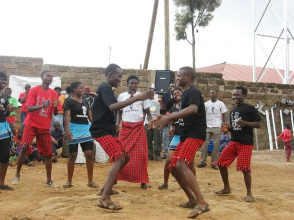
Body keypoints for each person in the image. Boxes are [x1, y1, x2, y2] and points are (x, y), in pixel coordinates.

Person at [90, 63, 153, 210]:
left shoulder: (106, 89)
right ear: (110, 74)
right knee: (120, 158)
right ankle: (104, 199)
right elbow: (113, 107)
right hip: (102, 131)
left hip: (107, 131)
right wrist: (138, 98)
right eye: (119, 76)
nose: (120, 79)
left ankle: (106, 187)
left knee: (126, 157)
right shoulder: (105, 88)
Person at [152, 67, 210, 218]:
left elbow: (192, 110)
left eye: (179, 76)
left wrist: (169, 118)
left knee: (181, 164)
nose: (176, 79)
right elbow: (183, 115)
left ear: (188, 77)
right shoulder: (185, 95)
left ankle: (202, 202)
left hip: (194, 134)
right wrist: (165, 118)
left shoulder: (193, 92)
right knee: (172, 166)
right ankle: (191, 199)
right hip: (184, 135)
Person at [12, 71, 60, 187]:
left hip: (44, 127)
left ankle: (49, 181)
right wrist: (43, 105)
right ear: (42, 77)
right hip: (31, 124)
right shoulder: (34, 90)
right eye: (47, 75)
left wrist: (54, 106)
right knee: (24, 147)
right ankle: (17, 175)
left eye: (51, 76)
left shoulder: (54, 94)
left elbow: (55, 112)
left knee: (49, 154)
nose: (50, 78)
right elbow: (29, 108)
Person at [215, 86, 261, 203]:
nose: (235, 97)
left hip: (246, 144)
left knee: (244, 168)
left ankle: (249, 193)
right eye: (234, 95)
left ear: (244, 96)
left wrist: (246, 123)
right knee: (221, 163)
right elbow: (235, 129)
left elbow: (258, 124)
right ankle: (226, 188)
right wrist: (228, 129)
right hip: (234, 141)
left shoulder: (250, 108)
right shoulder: (233, 111)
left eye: (237, 95)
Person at [116, 75, 152, 189]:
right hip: (125, 128)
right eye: (131, 83)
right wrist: (118, 123)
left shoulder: (142, 97)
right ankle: (115, 178)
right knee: (120, 153)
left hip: (138, 128)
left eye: (135, 83)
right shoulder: (121, 96)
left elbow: (148, 112)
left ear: (138, 84)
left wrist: (150, 121)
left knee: (141, 155)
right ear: (127, 84)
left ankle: (143, 180)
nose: (133, 85)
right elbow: (119, 112)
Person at [158, 87, 196, 192]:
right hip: (177, 136)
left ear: (183, 93)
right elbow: (172, 121)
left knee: (190, 163)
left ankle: (192, 183)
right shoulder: (173, 109)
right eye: (174, 94)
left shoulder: (189, 106)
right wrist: (172, 128)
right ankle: (165, 183)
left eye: (178, 92)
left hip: (188, 136)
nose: (176, 95)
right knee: (168, 161)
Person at [63, 82, 98, 188]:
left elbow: (89, 115)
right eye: (80, 88)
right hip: (74, 129)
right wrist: (67, 130)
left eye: (84, 88)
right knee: (72, 155)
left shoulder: (85, 101)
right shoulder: (69, 101)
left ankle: (90, 181)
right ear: (74, 89)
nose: (83, 90)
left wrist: (94, 126)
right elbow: (67, 116)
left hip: (85, 129)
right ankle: (69, 181)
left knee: (89, 154)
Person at [197, 89, 228, 170]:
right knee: (205, 144)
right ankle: (202, 161)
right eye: (210, 93)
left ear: (216, 94)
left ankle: (214, 163)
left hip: (217, 126)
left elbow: (223, 114)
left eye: (213, 93)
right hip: (207, 126)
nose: (212, 94)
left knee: (216, 145)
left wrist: (224, 123)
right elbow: (202, 115)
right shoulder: (206, 104)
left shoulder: (220, 103)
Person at [0, 71, 14, 190]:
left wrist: (9, 110)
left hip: (3, 128)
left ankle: (1, 183)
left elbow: (5, 113)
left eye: (5, 80)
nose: (3, 82)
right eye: (1, 79)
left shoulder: (4, 97)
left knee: (4, 156)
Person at [144, 87, 162, 162]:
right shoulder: (144, 102)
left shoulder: (157, 103)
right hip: (147, 123)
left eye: (152, 92)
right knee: (148, 139)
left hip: (155, 123)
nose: (151, 94)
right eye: (149, 92)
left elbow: (158, 114)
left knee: (157, 138)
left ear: (154, 93)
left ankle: (157, 154)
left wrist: (157, 123)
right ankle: (149, 155)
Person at [161, 83, 175, 159]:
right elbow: (163, 106)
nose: (172, 87)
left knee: (172, 136)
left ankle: (171, 152)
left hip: (175, 119)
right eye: (171, 86)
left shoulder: (178, 96)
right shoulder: (165, 95)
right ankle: (165, 152)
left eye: (173, 86)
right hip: (166, 117)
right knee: (165, 135)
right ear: (169, 87)